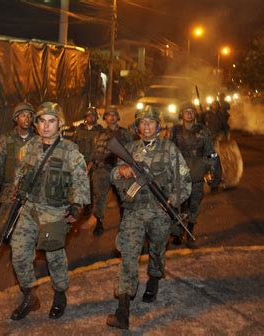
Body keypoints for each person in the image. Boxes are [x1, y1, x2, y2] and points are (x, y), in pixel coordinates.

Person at [107, 105, 191, 330]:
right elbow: (114, 176)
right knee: (128, 257)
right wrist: (121, 171)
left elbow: (185, 180)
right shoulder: (129, 149)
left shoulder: (169, 149)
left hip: (159, 213)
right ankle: (123, 311)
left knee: (156, 252)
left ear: (158, 126)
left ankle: (154, 279)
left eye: (151, 122)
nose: (146, 125)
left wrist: (174, 199)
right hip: (133, 213)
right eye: (142, 122)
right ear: (136, 127)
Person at [9, 102, 90, 321]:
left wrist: (77, 205)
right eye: (42, 121)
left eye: (51, 121)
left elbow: (81, 181)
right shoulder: (28, 148)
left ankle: (60, 293)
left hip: (54, 211)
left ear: (60, 124)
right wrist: (15, 191)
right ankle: (29, 295)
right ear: (36, 124)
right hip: (29, 209)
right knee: (18, 253)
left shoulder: (70, 151)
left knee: (55, 257)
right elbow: (20, 174)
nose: (46, 126)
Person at [170, 102, 216, 248]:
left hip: (197, 171)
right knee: (179, 205)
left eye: (191, 112)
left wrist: (211, 170)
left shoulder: (203, 130)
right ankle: (178, 232)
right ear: (181, 114)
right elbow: (169, 151)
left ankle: (190, 230)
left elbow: (210, 151)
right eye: (186, 111)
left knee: (194, 205)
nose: (189, 114)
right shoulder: (175, 130)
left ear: (195, 114)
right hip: (180, 172)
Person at [0, 102, 35, 231]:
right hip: (9, 194)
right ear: (16, 118)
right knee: (4, 228)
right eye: (23, 115)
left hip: (31, 195)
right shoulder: (6, 140)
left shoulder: (38, 141)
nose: (27, 118)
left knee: (28, 232)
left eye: (29, 116)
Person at [90, 106, 133, 236]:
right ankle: (99, 222)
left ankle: (123, 222)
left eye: (114, 114)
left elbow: (131, 150)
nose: (112, 117)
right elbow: (95, 151)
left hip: (120, 169)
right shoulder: (100, 133)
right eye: (109, 115)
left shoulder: (125, 133)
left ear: (118, 117)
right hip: (103, 169)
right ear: (105, 118)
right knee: (100, 197)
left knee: (123, 197)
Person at [72, 106, 103, 216]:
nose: (90, 118)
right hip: (80, 161)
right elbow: (73, 144)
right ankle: (81, 205)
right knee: (78, 184)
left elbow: (101, 148)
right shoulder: (79, 129)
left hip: (95, 163)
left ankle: (92, 208)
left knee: (94, 187)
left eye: (93, 116)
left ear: (96, 117)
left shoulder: (100, 130)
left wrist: (91, 163)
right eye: (88, 116)